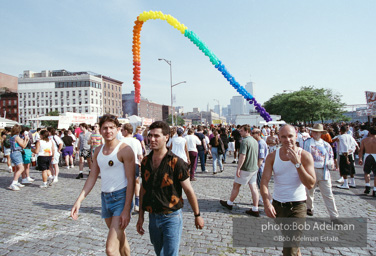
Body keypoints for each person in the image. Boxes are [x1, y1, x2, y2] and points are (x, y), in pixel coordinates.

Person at [136, 121, 204, 256]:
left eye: (157, 136)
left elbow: (189, 190)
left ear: (166, 137)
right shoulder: (145, 161)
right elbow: (143, 189)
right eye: (150, 136)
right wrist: (141, 217)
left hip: (171, 217)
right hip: (153, 216)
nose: (152, 139)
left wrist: (197, 215)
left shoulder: (176, 162)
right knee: (159, 252)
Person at [71, 115, 135, 256]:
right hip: (106, 199)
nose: (108, 131)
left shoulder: (125, 150)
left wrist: (126, 209)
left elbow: (131, 180)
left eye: (112, 127)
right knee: (121, 238)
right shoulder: (98, 151)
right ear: (100, 130)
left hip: (121, 198)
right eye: (105, 128)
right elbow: (92, 176)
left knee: (110, 250)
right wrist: (79, 200)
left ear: (118, 129)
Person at [260, 124, 316, 256]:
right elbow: (264, 182)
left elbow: (310, 184)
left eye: (290, 136)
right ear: (278, 138)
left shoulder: (305, 156)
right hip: (278, 207)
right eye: (283, 137)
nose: (287, 140)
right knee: (293, 245)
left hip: (298, 206)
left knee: (290, 248)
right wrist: (267, 203)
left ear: (296, 136)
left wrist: (297, 163)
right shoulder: (272, 156)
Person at [219, 125, 260, 217]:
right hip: (254, 167)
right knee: (253, 187)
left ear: (246, 131)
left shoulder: (245, 141)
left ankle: (229, 203)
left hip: (246, 168)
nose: (240, 132)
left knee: (236, 185)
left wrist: (238, 168)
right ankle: (255, 208)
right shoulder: (255, 140)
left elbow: (242, 156)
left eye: (241, 131)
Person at [303, 124, 339, 220]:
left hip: (323, 171)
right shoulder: (307, 143)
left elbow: (331, 157)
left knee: (328, 194)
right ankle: (309, 208)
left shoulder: (326, 145)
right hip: (311, 170)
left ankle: (334, 216)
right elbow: (303, 155)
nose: (315, 133)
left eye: (317, 132)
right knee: (309, 192)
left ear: (321, 133)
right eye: (314, 131)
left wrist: (330, 163)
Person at [121, 123, 143, 212]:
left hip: (123, 164)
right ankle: (137, 203)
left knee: (124, 184)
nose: (121, 132)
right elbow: (140, 155)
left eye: (122, 130)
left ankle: (126, 203)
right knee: (136, 183)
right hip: (135, 164)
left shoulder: (121, 141)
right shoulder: (136, 141)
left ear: (126, 131)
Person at [251, 128, 271, 206]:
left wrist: (257, 168)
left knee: (262, 186)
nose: (252, 135)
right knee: (261, 185)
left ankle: (268, 200)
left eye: (253, 133)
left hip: (261, 168)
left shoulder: (261, 143)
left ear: (258, 134)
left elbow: (261, 158)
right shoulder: (259, 142)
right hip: (261, 167)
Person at [8, 125, 29, 191]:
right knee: (21, 168)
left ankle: (16, 182)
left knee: (17, 168)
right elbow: (23, 146)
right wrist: (26, 139)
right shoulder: (16, 137)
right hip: (17, 153)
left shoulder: (12, 137)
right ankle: (14, 183)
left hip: (13, 152)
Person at [358, 127, 376, 196]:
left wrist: (360, 158)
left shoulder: (364, 140)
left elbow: (361, 150)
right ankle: (375, 189)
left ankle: (367, 186)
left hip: (368, 155)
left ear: (369, 132)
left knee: (366, 172)